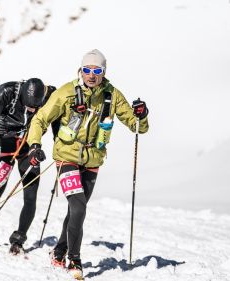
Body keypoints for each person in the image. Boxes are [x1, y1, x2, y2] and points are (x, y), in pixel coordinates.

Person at [26, 49, 149, 280]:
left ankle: (59, 251)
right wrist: (34, 145)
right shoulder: (66, 92)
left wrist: (142, 116)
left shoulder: (112, 96)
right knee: (79, 207)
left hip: (93, 160)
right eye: (87, 70)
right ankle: (75, 259)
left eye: (97, 71)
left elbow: (136, 127)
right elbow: (40, 119)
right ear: (80, 70)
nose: (91, 75)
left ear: (103, 73)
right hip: (67, 156)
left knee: (75, 210)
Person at [0, 78, 58, 255]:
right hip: (5, 144)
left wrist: (59, 144)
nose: (31, 110)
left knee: (31, 195)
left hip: (29, 147)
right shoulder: (6, 91)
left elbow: (59, 120)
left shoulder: (51, 94)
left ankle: (18, 240)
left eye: (35, 107)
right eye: (28, 106)